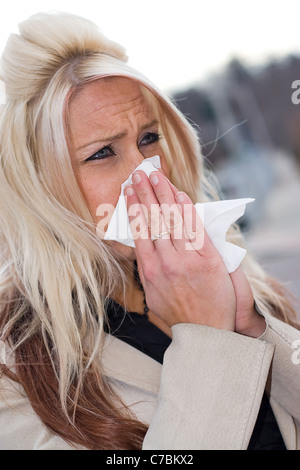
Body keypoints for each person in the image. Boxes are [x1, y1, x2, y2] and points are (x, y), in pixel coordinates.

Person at [0, 11, 299, 451]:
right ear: (42, 188)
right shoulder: (18, 365)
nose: (147, 172)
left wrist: (250, 325)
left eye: (148, 138)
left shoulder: (237, 274)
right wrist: (207, 339)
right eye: (102, 152)